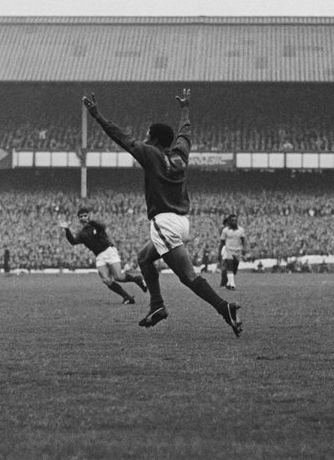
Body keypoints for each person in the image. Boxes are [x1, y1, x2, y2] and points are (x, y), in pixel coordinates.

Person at [82, 88, 242, 336]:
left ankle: (225, 308)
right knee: (144, 258)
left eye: (147, 134)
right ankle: (157, 306)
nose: (143, 137)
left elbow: (122, 137)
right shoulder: (180, 155)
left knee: (188, 277)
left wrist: (97, 116)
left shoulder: (150, 154)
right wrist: (185, 109)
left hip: (164, 222)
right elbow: (185, 134)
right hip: (180, 220)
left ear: (154, 139)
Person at [58, 206, 147, 304]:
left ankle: (137, 279)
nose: (83, 218)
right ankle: (127, 297)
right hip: (99, 256)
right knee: (106, 279)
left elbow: (102, 227)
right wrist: (67, 230)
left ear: (89, 216)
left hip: (109, 251)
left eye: (85, 215)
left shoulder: (95, 226)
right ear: (78, 219)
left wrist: (90, 221)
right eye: (81, 216)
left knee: (118, 277)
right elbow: (73, 242)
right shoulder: (82, 233)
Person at [218, 213, 249, 290]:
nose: (234, 222)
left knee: (234, 269)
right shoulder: (225, 230)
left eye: (235, 220)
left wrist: (244, 249)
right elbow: (222, 242)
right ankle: (232, 285)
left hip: (237, 251)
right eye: (232, 220)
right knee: (229, 266)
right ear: (229, 221)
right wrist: (219, 253)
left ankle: (228, 283)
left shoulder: (241, 230)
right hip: (229, 250)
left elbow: (243, 240)